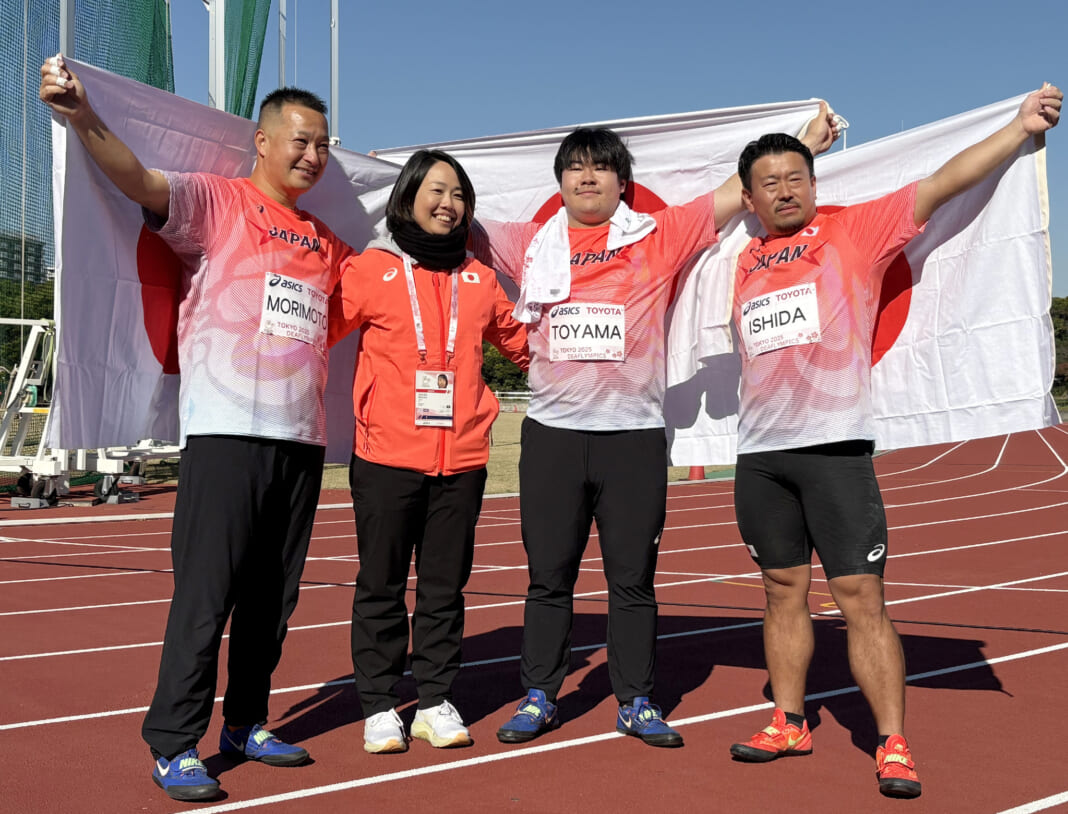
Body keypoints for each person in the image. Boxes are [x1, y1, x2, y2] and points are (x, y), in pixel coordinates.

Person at [726, 85, 1061, 798]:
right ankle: (789, 721)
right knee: (781, 591)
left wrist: (1016, 128)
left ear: (814, 186)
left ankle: (892, 741)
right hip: (759, 454)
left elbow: (945, 181)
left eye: (796, 178)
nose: (784, 191)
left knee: (860, 597)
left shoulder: (858, 230)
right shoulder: (741, 259)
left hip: (836, 449)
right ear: (750, 199)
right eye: (769, 183)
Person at [40, 55, 354, 802]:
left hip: (300, 439)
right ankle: (174, 740)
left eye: (323, 146)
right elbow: (142, 184)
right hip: (226, 431)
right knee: (207, 594)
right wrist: (82, 115)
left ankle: (246, 723)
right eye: (300, 141)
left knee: (272, 599)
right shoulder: (219, 202)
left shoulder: (326, 240)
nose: (312, 156)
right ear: (264, 142)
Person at [474, 112, 840, 747]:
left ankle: (636, 700)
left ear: (623, 183)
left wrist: (804, 144)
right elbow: (440, 218)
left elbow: (732, 193)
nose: (587, 177)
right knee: (548, 575)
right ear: (559, 181)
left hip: (634, 437)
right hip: (553, 435)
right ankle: (539, 694)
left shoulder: (658, 236)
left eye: (601, 167)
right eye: (575, 167)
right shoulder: (524, 242)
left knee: (632, 579)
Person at [329, 150, 528, 754]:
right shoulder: (372, 269)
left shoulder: (479, 278)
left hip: (461, 459)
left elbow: (523, 344)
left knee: (445, 588)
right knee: (382, 585)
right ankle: (381, 704)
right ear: (409, 197)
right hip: (386, 455)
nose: (449, 204)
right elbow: (316, 328)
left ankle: (435, 699)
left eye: (460, 195)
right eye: (437, 191)